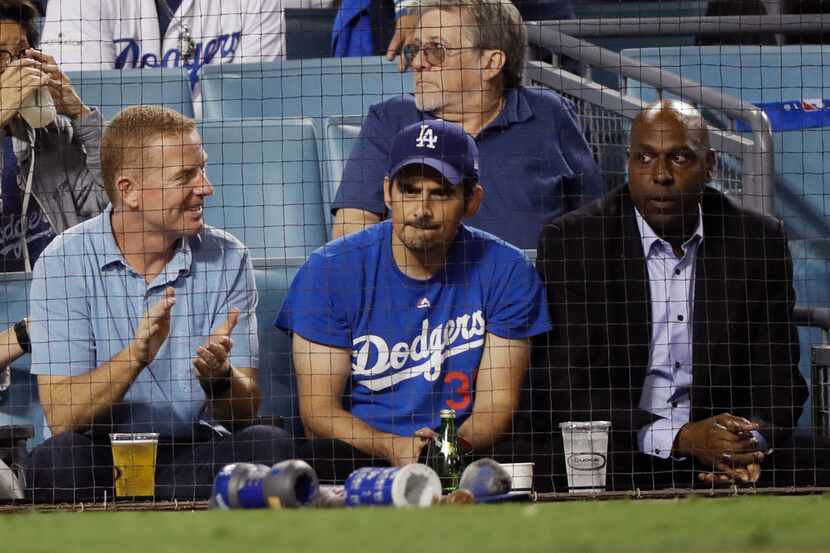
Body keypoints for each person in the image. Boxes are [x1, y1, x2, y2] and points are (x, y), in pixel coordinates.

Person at [532, 100, 828, 491]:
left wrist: (746, 444)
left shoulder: (756, 241)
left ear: (709, 165)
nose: (660, 175)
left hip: (723, 449)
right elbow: (566, 387)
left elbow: (779, 383)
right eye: (645, 157)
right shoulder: (575, 243)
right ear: (628, 162)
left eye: (679, 158)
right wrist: (682, 437)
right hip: (620, 448)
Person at [25, 105, 293, 503]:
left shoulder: (229, 256)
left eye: (201, 169)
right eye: (185, 176)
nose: (205, 187)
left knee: (270, 446)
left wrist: (219, 379)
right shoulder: (63, 260)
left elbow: (243, 412)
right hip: (101, 455)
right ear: (129, 190)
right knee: (58, 458)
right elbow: (63, 416)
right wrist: (136, 356)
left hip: (193, 451)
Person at [277, 120, 552, 482]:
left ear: (472, 200)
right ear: (388, 192)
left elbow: (496, 404)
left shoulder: (507, 269)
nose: (421, 209)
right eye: (409, 190)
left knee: (529, 452)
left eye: (440, 193)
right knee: (322, 455)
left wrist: (447, 448)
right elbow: (318, 414)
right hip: (367, 451)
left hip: (464, 446)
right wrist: (392, 446)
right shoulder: (329, 270)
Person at [331, 0, 602, 249]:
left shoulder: (548, 113)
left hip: (533, 293)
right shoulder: (391, 119)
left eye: (435, 50)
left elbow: (594, 224)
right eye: (414, 49)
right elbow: (351, 231)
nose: (417, 63)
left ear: (491, 63)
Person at [0, 0, 105, 272]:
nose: (14, 68)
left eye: (21, 52)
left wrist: (81, 115)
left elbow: (114, 207)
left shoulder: (53, 134)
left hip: (61, 296)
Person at [40, 0, 285, 111]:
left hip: (217, 163)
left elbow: (252, 110)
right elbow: (79, 111)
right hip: (106, 169)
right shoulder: (74, 3)